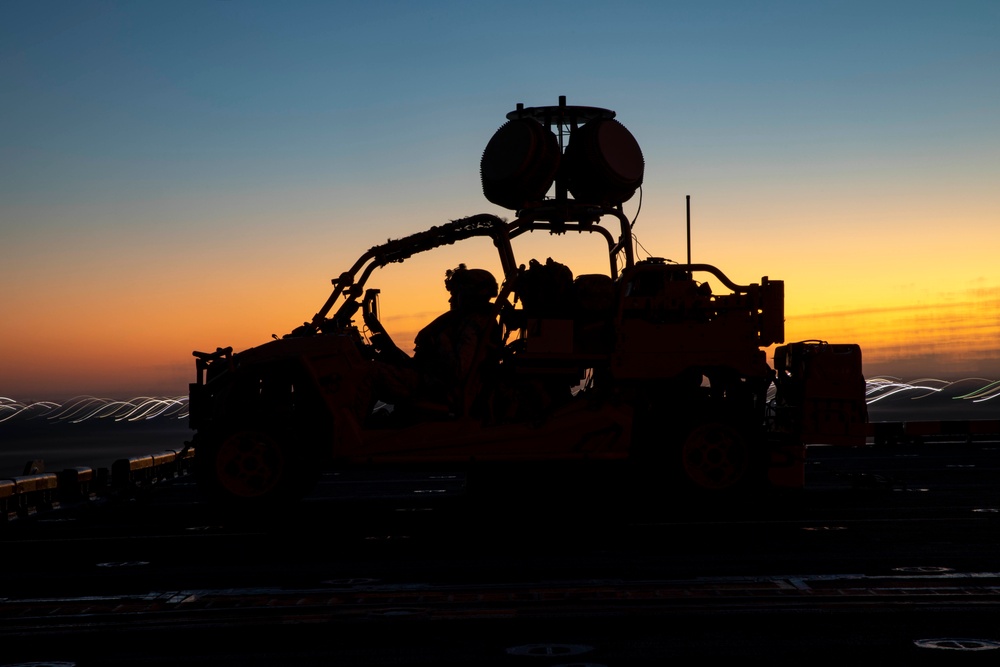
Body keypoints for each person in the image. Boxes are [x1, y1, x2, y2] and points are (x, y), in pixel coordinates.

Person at [411, 264, 500, 411]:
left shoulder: (473, 326)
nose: (451, 300)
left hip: (442, 391)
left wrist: (441, 339)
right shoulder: (467, 321)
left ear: (468, 296)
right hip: (434, 383)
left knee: (370, 373)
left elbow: (459, 372)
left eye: (455, 294)